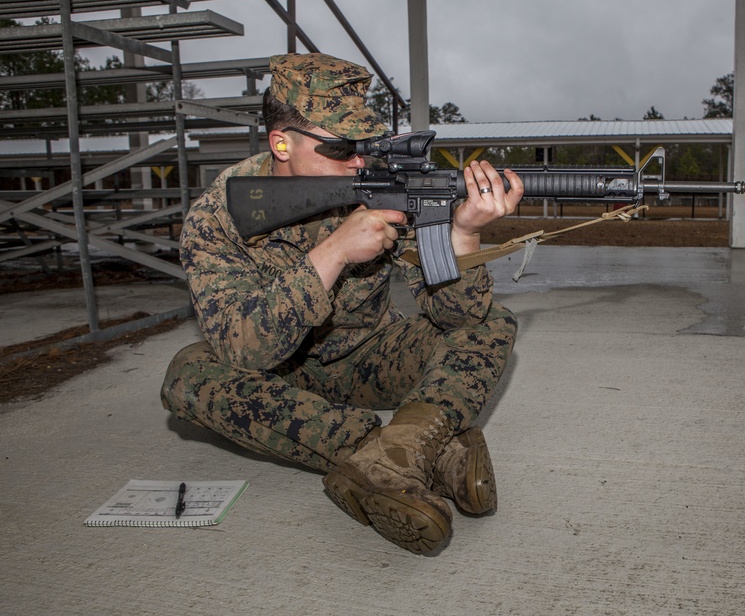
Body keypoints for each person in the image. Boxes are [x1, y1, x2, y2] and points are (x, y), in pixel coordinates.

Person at [160, 52, 524, 554]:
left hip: (370, 356)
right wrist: (332, 253)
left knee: (492, 322)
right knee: (187, 378)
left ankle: (403, 453)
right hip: (278, 375)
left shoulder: (382, 185)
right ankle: (404, 454)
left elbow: (455, 318)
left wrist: (463, 235)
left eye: (365, 145)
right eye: (341, 146)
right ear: (281, 143)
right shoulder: (217, 216)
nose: (358, 160)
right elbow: (245, 352)